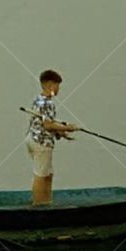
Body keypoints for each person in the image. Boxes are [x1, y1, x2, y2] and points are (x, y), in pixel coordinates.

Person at [27, 69, 77, 205]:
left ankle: (46, 202)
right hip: (41, 143)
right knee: (40, 175)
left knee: (48, 174)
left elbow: (44, 123)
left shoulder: (39, 99)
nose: (58, 88)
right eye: (57, 85)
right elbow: (48, 125)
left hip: (34, 139)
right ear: (50, 85)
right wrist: (67, 127)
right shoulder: (48, 103)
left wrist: (61, 133)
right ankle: (38, 204)